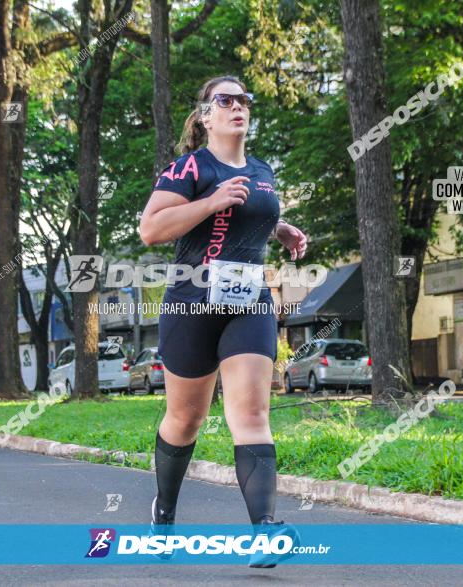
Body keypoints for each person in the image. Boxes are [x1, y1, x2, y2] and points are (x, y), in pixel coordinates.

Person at [139, 75, 308, 567]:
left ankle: (265, 534)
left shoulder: (262, 170)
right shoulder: (189, 166)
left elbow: (246, 212)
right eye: (224, 100)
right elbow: (151, 228)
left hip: (250, 300)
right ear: (206, 116)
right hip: (192, 303)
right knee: (185, 418)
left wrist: (278, 229)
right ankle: (164, 516)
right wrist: (210, 201)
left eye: (243, 100)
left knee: (252, 414)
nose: (237, 106)